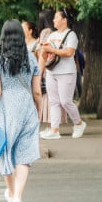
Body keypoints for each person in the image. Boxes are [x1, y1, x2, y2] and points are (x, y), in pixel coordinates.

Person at [0, 20, 42, 202]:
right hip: (27, 108)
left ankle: (10, 192)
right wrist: (38, 112)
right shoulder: (31, 59)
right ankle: (17, 197)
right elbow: (37, 92)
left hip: (7, 109)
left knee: (5, 152)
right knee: (24, 156)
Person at [40, 8, 86, 140]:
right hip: (51, 71)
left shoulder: (71, 35)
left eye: (56, 17)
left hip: (66, 72)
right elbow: (45, 53)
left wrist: (52, 49)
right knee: (54, 101)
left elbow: (69, 52)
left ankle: (79, 123)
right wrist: (45, 52)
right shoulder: (51, 35)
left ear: (64, 20)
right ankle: (54, 130)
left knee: (65, 101)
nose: (53, 20)